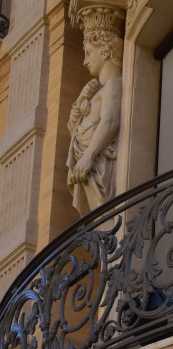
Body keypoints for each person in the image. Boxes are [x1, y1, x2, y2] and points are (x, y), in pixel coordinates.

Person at [67, 14, 123, 214]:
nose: (84, 61)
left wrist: (89, 154)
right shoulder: (97, 91)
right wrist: (81, 101)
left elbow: (110, 121)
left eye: (89, 53)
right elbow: (74, 129)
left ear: (105, 50)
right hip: (90, 166)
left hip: (98, 164)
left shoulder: (114, 84)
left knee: (106, 218)